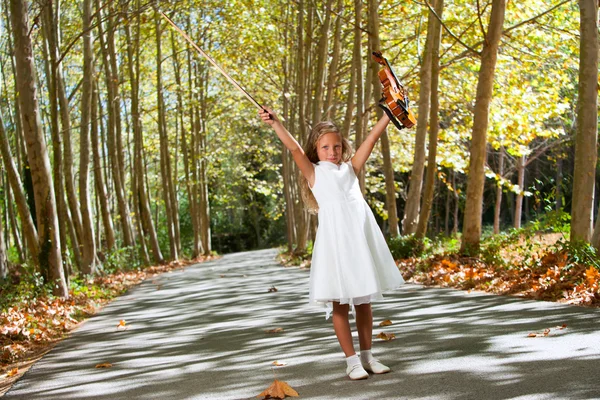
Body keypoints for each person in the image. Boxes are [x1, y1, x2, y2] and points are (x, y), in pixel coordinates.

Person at [259, 107, 405, 380]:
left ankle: (367, 357)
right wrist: (276, 123)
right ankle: (351, 362)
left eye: (337, 146)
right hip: (336, 245)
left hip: (360, 242)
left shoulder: (351, 168)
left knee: (364, 302)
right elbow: (293, 149)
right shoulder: (314, 172)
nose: (332, 151)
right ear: (316, 149)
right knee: (340, 303)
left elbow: (370, 140)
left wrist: (388, 114)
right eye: (325, 147)